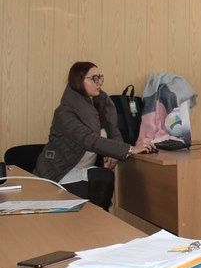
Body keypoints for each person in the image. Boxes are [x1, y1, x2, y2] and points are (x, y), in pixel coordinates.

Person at [34, 62, 156, 210]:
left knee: (105, 178)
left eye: (100, 77)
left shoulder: (101, 104)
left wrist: (113, 154)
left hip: (85, 170)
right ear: (79, 81)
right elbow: (89, 140)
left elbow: (114, 132)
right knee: (98, 188)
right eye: (94, 78)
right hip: (61, 173)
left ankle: (99, 219)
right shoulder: (64, 113)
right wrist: (129, 149)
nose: (99, 83)